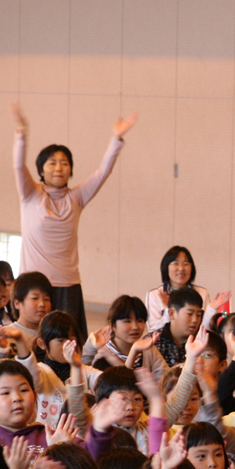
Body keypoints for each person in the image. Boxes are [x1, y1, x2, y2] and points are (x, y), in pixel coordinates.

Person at [11, 101, 138, 339]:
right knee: (31, 340)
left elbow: (103, 172)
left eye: (64, 163)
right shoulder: (30, 195)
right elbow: (18, 166)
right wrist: (22, 134)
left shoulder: (77, 197)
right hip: (34, 285)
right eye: (52, 163)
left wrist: (116, 139)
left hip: (67, 285)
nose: (59, 168)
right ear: (41, 170)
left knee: (65, 343)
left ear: (70, 170)